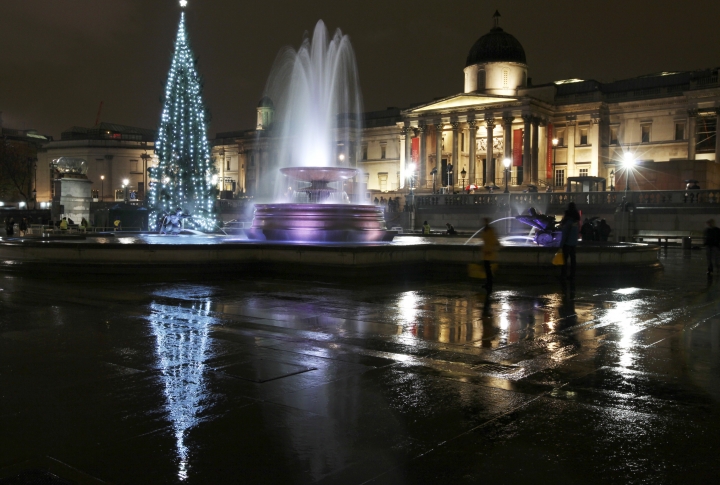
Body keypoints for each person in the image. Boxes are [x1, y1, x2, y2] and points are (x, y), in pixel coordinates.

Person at [480, 218, 500, 292]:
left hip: (489, 252)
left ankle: (489, 283)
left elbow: (493, 239)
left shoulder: (489, 230)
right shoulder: (486, 230)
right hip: (486, 252)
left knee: (488, 269)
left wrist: (491, 249)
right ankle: (488, 283)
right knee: (487, 269)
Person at [560, 206, 580, 279]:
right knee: (573, 260)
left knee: (564, 260)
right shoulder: (576, 222)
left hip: (567, 244)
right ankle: (572, 274)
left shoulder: (568, 223)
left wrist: (561, 245)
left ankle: (563, 274)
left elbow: (565, 234)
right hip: (574, 243)